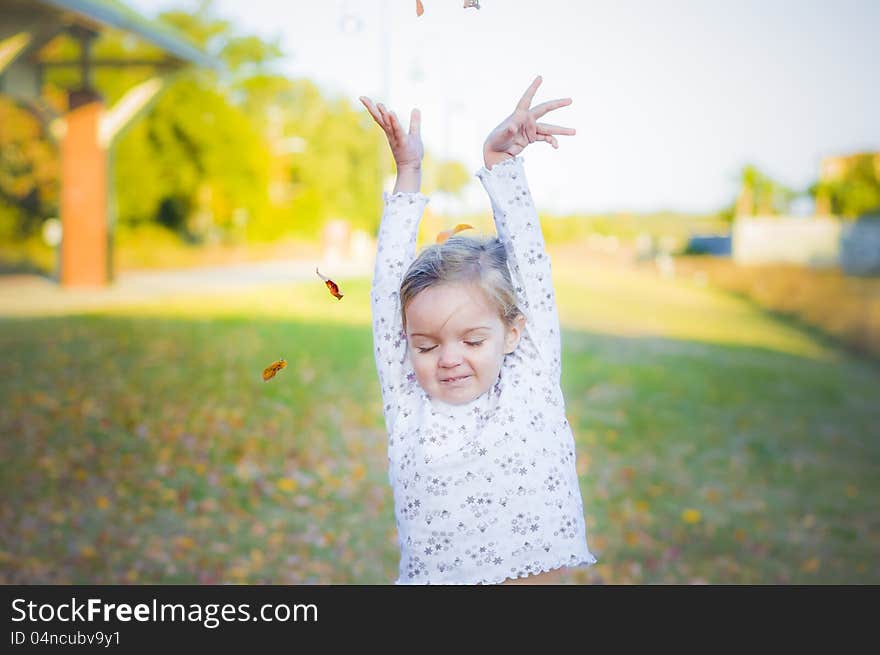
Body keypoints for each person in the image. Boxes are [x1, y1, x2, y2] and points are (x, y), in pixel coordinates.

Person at [360, 76, 598, 585]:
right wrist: (408, 171)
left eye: (472, 341)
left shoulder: (529, 374)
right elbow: (386, 292)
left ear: (513, 332)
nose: (448, 358)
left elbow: (531, 267)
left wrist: (501, 163)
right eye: (425, 345)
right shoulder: (409, 400)